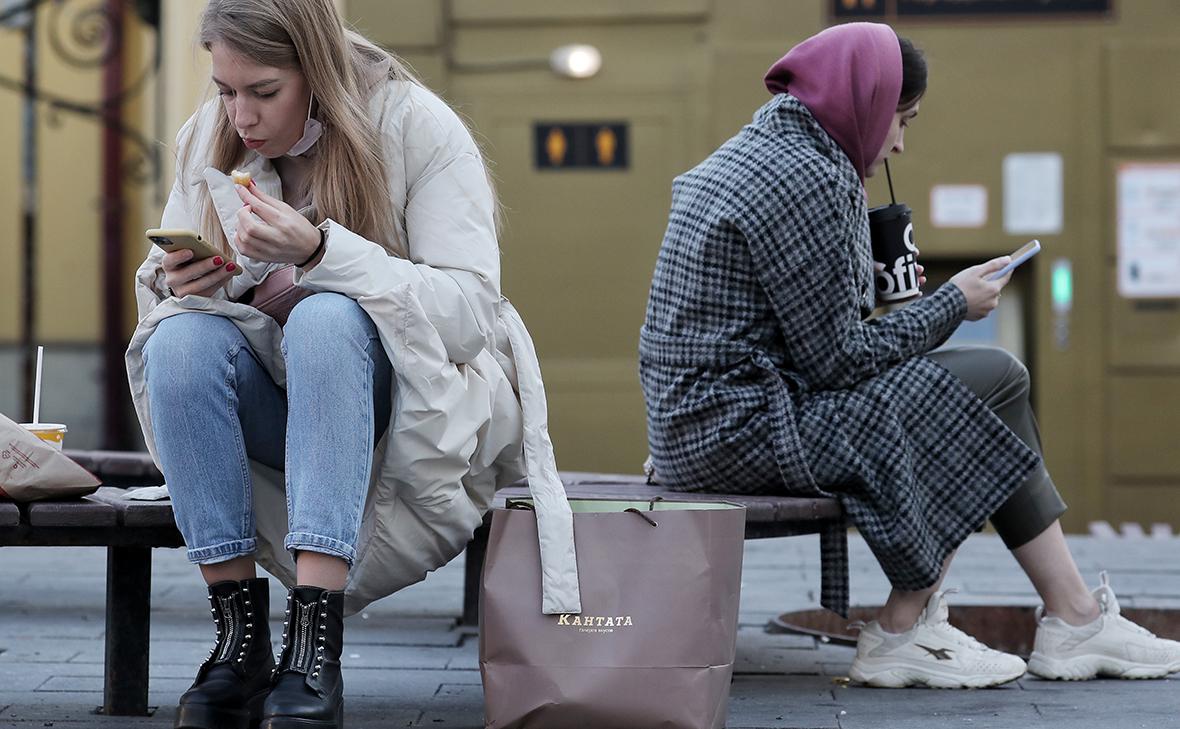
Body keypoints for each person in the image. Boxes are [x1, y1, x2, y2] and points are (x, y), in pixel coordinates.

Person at [639, 22, 1180, 689]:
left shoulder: (761, 151)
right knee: (992, 378)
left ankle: (1070, 616)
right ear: (864, 101)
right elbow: (839, 359)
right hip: (742, 429)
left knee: (991, 380)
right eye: (903, 119)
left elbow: (800, 337)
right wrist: (952, 303)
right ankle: (910, 627)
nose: (899, 141)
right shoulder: (811, 176)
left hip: (698, 424)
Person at [125, 1, 558, 727]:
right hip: (282, 404)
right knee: (178, 337)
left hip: (408, 412)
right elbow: (174, 279)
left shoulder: (417, 126)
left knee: (328, 314)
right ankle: (238, 643)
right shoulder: (208, 133)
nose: (240, 117)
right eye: (226, 91)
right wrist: (180, 279)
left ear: (317, 75)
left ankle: (314, 646)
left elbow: (470, 315)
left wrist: (324, 253)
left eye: (263, 92)